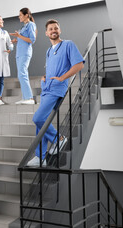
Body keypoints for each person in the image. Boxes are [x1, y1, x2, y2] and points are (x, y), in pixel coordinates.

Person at [27, 19, 84, 166]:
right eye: (50, 29)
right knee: (41, 122)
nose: (53, 31)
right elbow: (51, 68)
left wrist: (62, 78)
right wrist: (44, 78)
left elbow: (78, 65)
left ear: (60, 30)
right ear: (46, 33)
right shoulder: (48, 51)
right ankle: (40, 158)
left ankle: (59, 139)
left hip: (57, 88)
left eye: (56, 28)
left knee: (38, 118)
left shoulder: (68, 45)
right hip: (47, 88)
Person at [10, 8, 37, 105]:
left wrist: (19, 36)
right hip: (19, 53)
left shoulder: (31, 25)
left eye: (20, 15)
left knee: (22, 74)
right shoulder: (24, 26)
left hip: (25, 53)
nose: (19, 17)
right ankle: (25, 97)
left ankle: (29, 98)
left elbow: (32, 40)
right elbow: (23, 39)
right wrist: (16, 39)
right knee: (21, 74)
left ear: (26, 15)